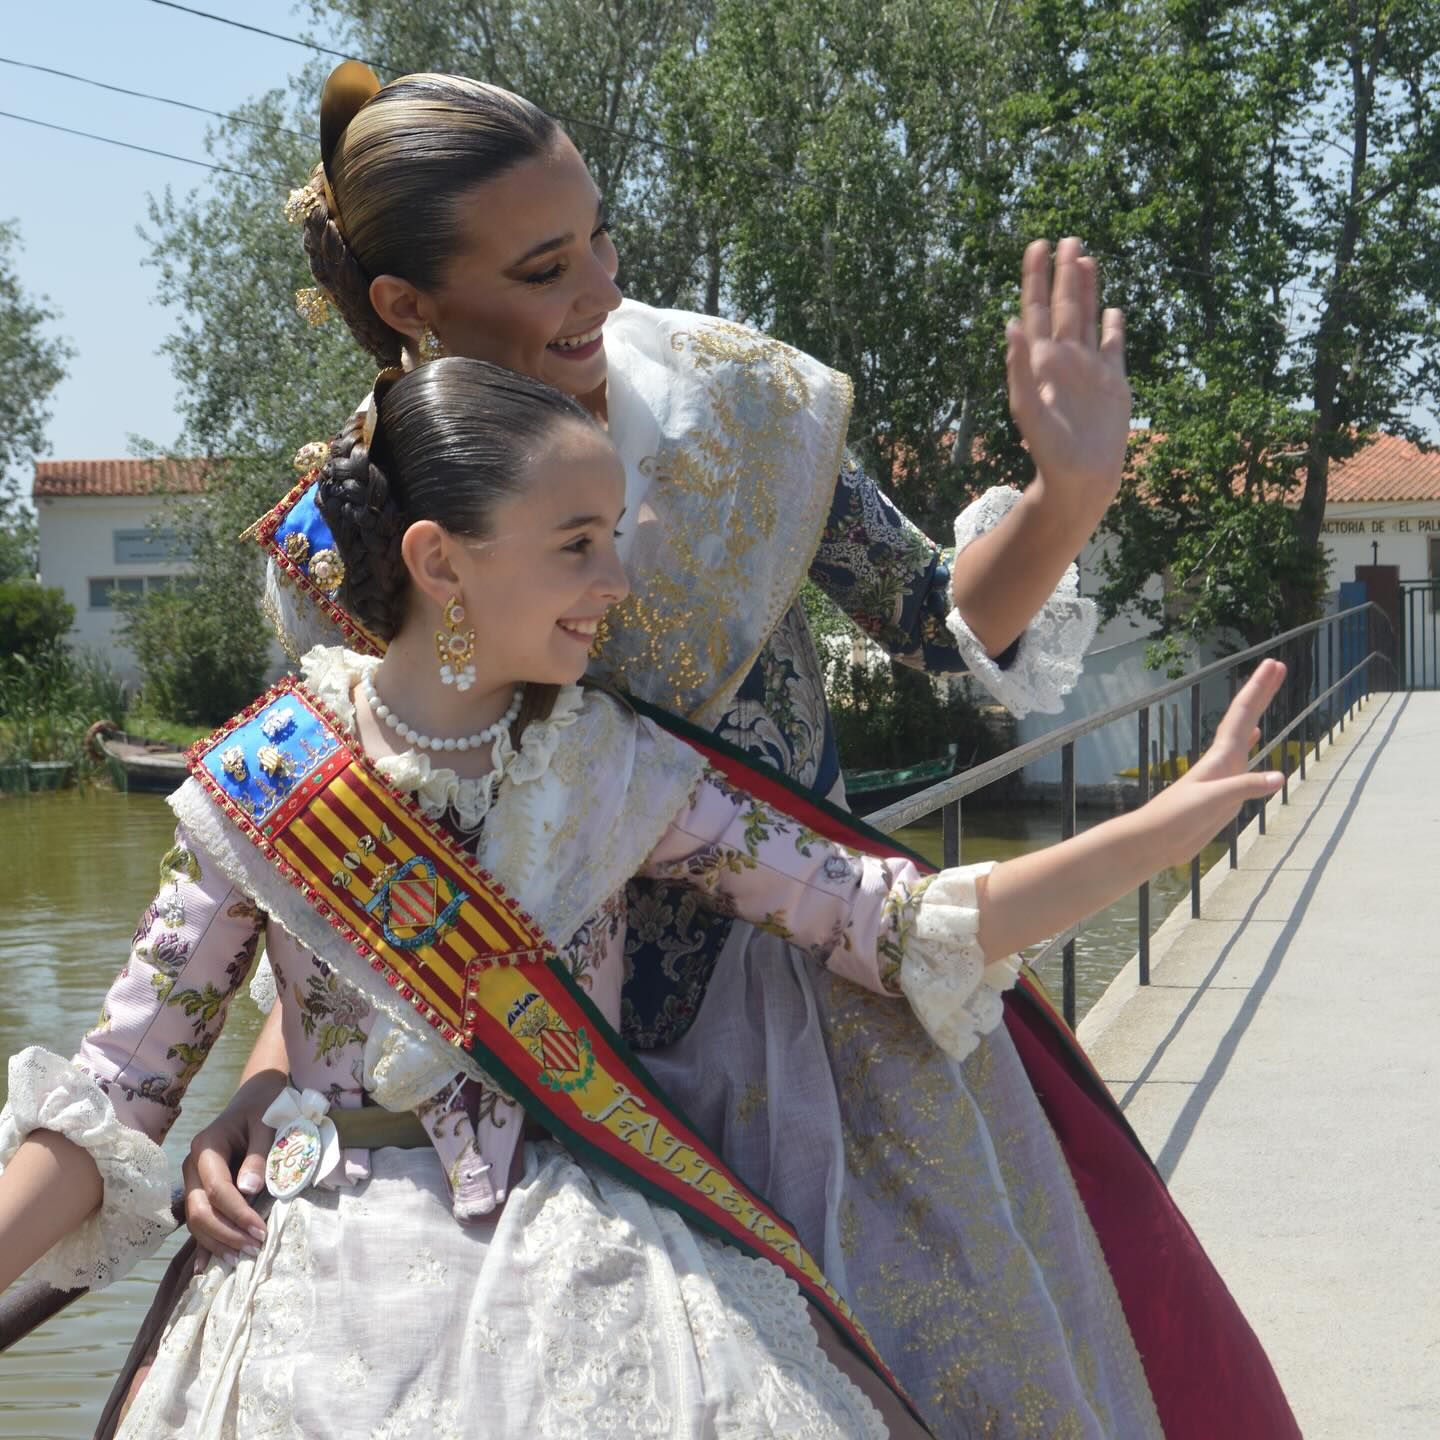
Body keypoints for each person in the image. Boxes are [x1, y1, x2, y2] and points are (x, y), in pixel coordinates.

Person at [165, 66, 1300, 1436]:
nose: (600, 290)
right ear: (408, 306)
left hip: (822, 1032)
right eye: (544, 267)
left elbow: (941, 627)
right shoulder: (339, 527)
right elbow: (354, 860)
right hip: (517, 1092)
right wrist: (271, 1082)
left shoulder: (746, 409)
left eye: (602, 238)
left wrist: (1071, 494)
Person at [0, 358, 1288, 1438]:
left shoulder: (619, 767)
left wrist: (1149, 834)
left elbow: (887, 920)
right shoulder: (256, 790)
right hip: (309, 1280)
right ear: (440, 561)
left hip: (588, 1254)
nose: (616, 581)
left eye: (612, 537)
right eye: (577, 545)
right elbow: (117, 1100)